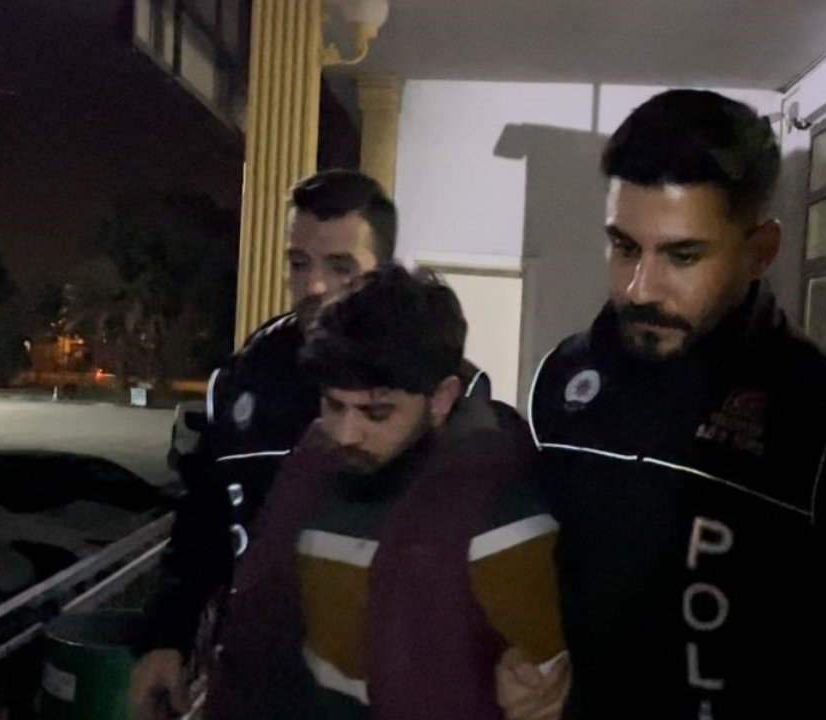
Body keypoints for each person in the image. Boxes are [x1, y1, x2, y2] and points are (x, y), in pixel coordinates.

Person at [506, 89, 826, 719]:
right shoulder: (563, 383)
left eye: (683, 255)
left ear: (760, 251)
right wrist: (520, 666)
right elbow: (544, 586)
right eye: (624, 247)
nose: (640, 288)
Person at [202, 264, 566, 720]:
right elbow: (260, 626)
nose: (346, 434)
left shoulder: (500, 510)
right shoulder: (310, 465)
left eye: (376, 413)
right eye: (334, 405)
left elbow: (552, 683)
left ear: (441, 398)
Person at [130, 170, 401, 718]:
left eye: (341, 267)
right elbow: (205, 516)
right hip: (256, 684)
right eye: (299, 263)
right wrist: (168, 636)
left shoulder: (425, 385)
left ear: (385, 274)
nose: (315, 286)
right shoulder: (248, 375)